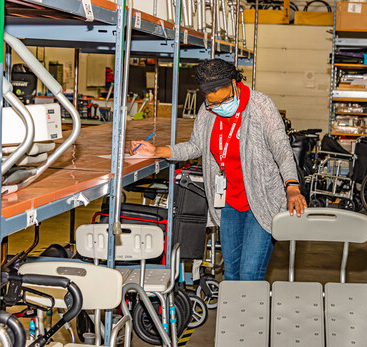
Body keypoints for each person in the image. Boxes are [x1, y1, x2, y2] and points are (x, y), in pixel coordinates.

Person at [130, 59, 307, 281]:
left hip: (262, 202)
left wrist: (291, 186)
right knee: (231, 274)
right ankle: (234, 316)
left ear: (234, 83)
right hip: (229, 202)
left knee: (250, 273)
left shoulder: (261, 106)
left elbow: (282, 149)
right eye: (213, 102)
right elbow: (196, 146)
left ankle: (252, 317)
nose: (220, 106)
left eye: (225, 99)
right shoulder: (207, 110)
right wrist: (158, 150)